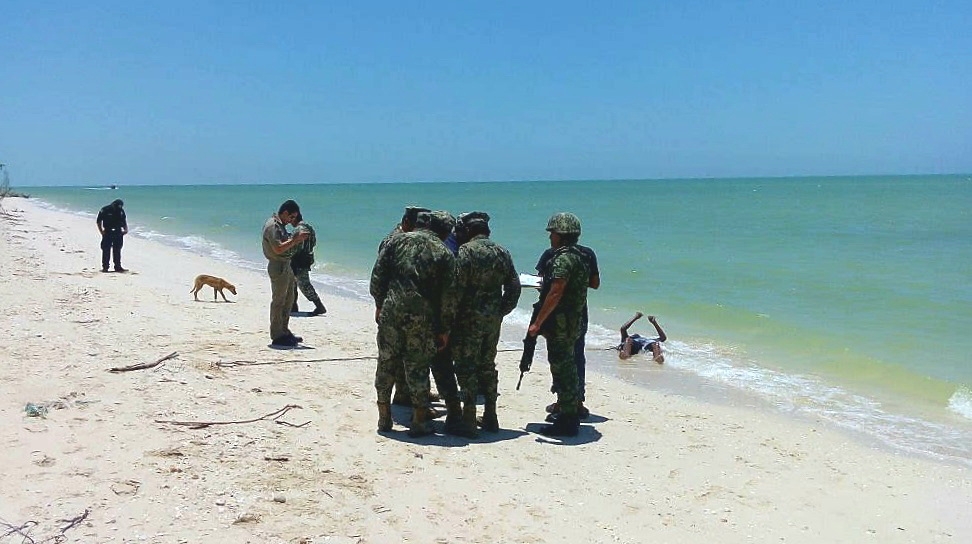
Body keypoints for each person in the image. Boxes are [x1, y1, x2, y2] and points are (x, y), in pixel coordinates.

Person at [370, 210, 458, 437]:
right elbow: (448, 297)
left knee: (386, 362)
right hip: (422, 317)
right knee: (417, 365)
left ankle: (384, 416)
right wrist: (445, 329)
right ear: (444, 231)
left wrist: (380, 304)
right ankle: (419, 419)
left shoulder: (396, 241)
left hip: (392, 310)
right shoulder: (443, 253)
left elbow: (377, 277)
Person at [451, 211, 521, 436]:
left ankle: (469, 417)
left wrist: (450, 315)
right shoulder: (502, 252)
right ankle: (491, 415)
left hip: (468, 318)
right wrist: (502, 310)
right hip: (492, 319)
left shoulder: (465, 252)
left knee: (466, 366)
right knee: (487, 364)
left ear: (469, 230)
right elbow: (514, 286)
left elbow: (456, 287)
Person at [526, 212, 591, 437]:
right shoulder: (581, 256)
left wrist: (537, 323)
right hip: (574, 321)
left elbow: (556, 292)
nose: (550, 237)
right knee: (570, 368)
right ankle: (570, 414)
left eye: (552, 233)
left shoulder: (563, 259)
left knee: (562, 368)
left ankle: (567, 420)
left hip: (561, 324)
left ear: (561, 235)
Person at [536, 240, 599, 419]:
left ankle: (563, 401)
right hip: (579, 312)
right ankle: (578, 401)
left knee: (559, 357)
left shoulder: (551, 255)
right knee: (577, 355)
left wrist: (538, 321)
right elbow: (595, 283)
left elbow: (543, 283)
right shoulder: (587, 254)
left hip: (556, 314)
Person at [378, 205, 430, 407]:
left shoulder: (406, 240)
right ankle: (403, 394)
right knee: (395, 355)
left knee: (404, 353)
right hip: (393, 305)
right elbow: (381, 275)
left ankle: (405, 392)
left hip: (397, 304)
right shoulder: (393, 241)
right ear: (408, 222)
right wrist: (379, 305)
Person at [262, 200, 309, 348]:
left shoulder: (280, 226)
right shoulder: (272, 226)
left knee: (289, 300)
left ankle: (284, 330)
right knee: (279, 302)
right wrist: (294, 240)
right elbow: (278, 249)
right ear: (285, 213)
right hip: (278, 265)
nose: (292, 221)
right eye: (291, 217)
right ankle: (277, 335)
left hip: (285, 264)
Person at [288, 213, 327, 316]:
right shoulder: (309, 227)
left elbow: (295, 246)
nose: (289, 221)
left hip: (299, 260)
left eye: (290, 219)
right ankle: (293, 306)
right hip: (306, 258)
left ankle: (319, 306)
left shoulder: (299, 229)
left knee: (303, 284)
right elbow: (313, 243)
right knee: (293, 283)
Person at [96, 199, 128, 272]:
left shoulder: (121, 210)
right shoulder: (105, 209)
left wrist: (126, 229)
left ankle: (118, 267)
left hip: (118, 232)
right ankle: (105, 267)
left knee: (117, 250)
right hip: (108, 232)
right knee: (106, 250)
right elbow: (98, 221)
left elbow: (123, 220)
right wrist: (101, 231)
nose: (118, 208)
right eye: (117, 206)